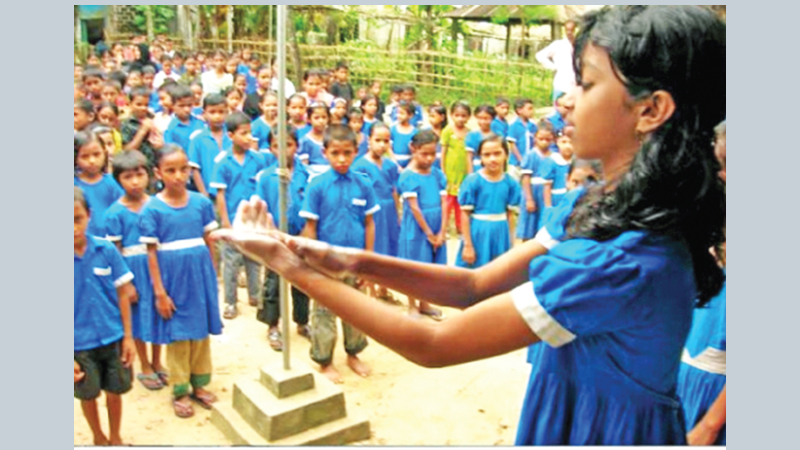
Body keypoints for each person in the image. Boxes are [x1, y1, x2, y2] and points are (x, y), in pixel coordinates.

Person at [214, 5, 726, 445]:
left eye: (587, 84)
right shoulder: (594, 207)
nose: (565, 101)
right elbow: (473, 286)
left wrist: (290, 267)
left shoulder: (622, 258)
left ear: (651, 110)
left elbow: (435, 344)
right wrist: (347, 259)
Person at [140, 145, 222, 418]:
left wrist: (212, 275)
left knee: (200, 333)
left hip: (199, 278)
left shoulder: (201, 203)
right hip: (172, 281)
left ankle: (199, 385)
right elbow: (151, 253)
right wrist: (160, 292)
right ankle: (180, 390)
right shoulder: (153, 209)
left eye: (183, 169)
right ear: (158, 173)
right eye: (170, 170)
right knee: (178, 336)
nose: (178, 176)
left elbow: (209, 242)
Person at [297, 125, 379, 384]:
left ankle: (353, 353)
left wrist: (368, 262)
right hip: (326, 263)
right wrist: (311, 263)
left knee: (356, 309)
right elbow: (310, 227)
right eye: (335, 153)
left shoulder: (364, 184)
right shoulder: (317, 185)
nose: (341, 159)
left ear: (356, 151)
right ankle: (325, 360)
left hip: (355, 261)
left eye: (347, 153)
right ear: (325, 153)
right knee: (324, 311)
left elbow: (369, 223)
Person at [677, 120, 726, 446]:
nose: (718, 175)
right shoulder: (710, 227)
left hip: (718, 403)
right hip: (686, 384)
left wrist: (710, 425)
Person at [74, 187, 136, 447]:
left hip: (113, 337)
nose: (72, 228)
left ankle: (115, 437)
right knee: (87, 394)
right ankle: (98, 437)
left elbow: (123, 294)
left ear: (89, 215)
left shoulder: (106, 250)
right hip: (78, 345)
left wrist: (129, 338)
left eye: (77, 219)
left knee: (115, 390)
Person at [103, 151, 167, 391]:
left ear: (149, 175)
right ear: (118, 180)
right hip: (132, 270)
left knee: (159, 314)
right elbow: (115, 252)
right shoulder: (114, 213)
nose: (135, 182)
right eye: (128, 177)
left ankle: (158, 360)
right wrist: (125, 284)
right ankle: (145, 364)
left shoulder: (158, 205)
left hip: (157, 266)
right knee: (139, 317)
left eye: (139, 175)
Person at [255, 127, 312, 351]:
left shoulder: (306, 175)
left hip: (300, 236)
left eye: (288, 145)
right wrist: (271, 234)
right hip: (275, 237)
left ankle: (302, 322)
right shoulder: (265, 177)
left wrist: (305, 235)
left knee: (302, 282)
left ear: (296, 146)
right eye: (277, 146)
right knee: (273, 283)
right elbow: (261, 208)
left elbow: (310, 207)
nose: (283, 150)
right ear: (270, 148)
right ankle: (273, 325)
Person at [210, 112, 268, 319]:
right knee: (231, 262)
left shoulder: (258, 159)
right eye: (243, 133)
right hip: (232, 218)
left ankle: (255, 294)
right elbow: (220, 194)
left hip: (252, 219)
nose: (248, 137)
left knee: (254, 259)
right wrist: (225, 222)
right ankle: (230, 302)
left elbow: (261, 188)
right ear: (231, 135)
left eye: (249, 133)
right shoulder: (222, 162)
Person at [396, 131, 446, 320]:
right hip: (417, 228)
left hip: (436, 223)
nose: (429, 158)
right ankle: (412, 304)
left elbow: (445, 203)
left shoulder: (437, 174)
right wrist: (429, 233)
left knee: (429, 267)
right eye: (424, 154)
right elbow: (415, 208)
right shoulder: (408, 177)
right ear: (414, 150)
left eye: (433, 154)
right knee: (414, 266)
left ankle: (425, 303)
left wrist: (441, 230)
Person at [351, 122, 401, 303]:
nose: (381, 145)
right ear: (369, 140)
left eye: (386, 141)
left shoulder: (390, 165)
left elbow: (394, 190)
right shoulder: (360, 165)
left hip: (389, 211)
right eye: (377, 140)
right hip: (371, 212)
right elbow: (358, 193)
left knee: (388, 249)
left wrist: (398, 212)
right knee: (373, 248)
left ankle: (384, 288)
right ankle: (371, 291)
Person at [456, 135, 520, 269]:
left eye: (497, 153)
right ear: (480, 157)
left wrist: (511, 243)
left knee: (498, 272)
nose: (492, 159)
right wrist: (468, 245)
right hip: (478, 233)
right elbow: (465, 215)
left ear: (506, 155)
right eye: (487, 155)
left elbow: (510, 215)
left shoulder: (511, 183)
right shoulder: (473, 181)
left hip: (501, 232)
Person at [74, 132, 124, 238]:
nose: (92, 161)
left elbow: (122, 210)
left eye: (96, 154)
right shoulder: (74, 184)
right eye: (85, 156)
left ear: (105, 154)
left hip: (109, 239)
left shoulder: (112, 183)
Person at [516, 121, 557, 242]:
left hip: (547, 193)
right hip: (533, 192)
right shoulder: (531, 155)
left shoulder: (554, 156)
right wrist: (529, 199)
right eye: (541, 139)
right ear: (535, 138)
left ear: (553, 139)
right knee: (529, 224)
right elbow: (526, 178)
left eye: (548, 139)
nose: (544, 142)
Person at [188, 93, 230, 199]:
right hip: (210, 194)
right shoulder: (198, 138)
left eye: (221, 112)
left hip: (231, 193)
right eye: (212, 112)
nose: (217, 116)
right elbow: (195, 169)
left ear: (227, 113)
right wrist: (204, 194)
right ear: (204, 114)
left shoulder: (232, 136)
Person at [121, 86, 164, 184]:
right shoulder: (126, 124)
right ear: (130, 104)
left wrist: (159, 143)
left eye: (146, 105)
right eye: (139, 104)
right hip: (135, 168)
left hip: (152, 167)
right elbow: (126, 150)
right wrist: (142, 131)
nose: (143, 108)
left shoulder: (153, 119)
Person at [440, 101, 471, 236]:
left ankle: (461, 228)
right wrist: (443, 171)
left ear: (468, 117)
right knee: (447, 202)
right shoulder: (447, 131)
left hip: (463, 172)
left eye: (463, 116)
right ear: (451, 115)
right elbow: (443, 152)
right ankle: (444, 228)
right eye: (457, 115)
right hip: (450, 172)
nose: (460, 119)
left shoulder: (469, 133)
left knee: (461, 202)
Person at [536, 19, 578, 101]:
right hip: (561, 84)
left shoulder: (580, 45)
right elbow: (540, 56)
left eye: (571, 30)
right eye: (567, 30)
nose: (569, 32)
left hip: (575, 86)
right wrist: (554, 67)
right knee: (558, 107)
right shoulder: (558, 44)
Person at [163, 84, 206, 153]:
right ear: (173, 106)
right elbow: (169, 151)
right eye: (181, 106)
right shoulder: (170, 128)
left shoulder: (200, 122)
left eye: (189, 105)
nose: (186, 109)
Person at [297, 103, 331, 179]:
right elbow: (304, 165)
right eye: (316, 118)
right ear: (309, 119)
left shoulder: (332, 138)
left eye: (324, 117)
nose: (321, 121)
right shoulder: (305, 141)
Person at [506, 99, 537, 182]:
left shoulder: (532, 124)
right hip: (516, 163)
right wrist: (521, 159)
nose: (532, 111)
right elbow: (512, 144)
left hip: (530, 161)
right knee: (513, 182)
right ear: (519, 110)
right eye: (529, 109)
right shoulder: (514, 124)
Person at [465, 105, 496, 173]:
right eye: (480, 118)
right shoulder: (472, 135)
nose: (482, 122)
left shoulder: (497, 135)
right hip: (477, 169)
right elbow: (469, 157)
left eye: (486, 118)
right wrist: (470, 174)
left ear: (492, 119)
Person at [390, 102, 418, 169]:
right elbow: (389, 148)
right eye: (398, 113)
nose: (398, 115)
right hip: (394, 163)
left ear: (410, 115)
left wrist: (409, 167)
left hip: (409, 165)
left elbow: (416, 152)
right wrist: (396, 165)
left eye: (402, 113)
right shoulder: (393, 129)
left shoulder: (415, 132)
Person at [551, 132, 574, 207]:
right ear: (557, 142)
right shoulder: (552, 161)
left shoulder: (577, 162)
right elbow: (546, 187)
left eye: (571, 142)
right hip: (556, 200)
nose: (567, 146)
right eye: (564, 142)